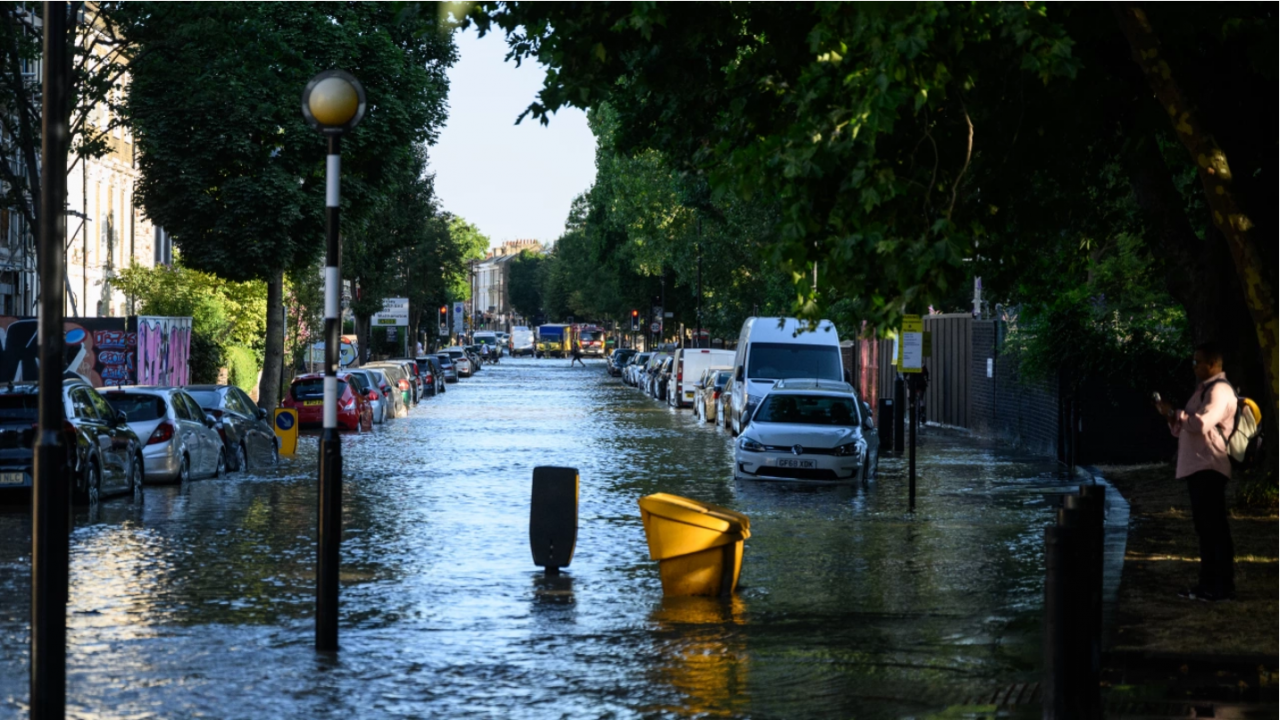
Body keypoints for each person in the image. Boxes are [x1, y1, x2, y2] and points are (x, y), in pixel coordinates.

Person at [1154, 341, 1237, 601]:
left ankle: (1220, 587)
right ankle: (1207, 584)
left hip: (1209, 465)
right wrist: (1172, 417)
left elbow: (1201, 424)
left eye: (1197, 361)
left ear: (1213, 364)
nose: (1193, 366)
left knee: (1213, 528)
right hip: (1198, 466)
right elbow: (1188, 425)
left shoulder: (1219, 390)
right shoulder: (1203, 390)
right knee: (1206, 528)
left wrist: (1176, 413)